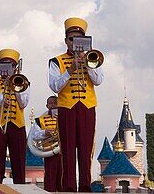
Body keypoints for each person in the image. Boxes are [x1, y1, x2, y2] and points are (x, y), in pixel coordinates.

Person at [49, 17, 104, 192]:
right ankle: (69, 187)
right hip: (66, 108)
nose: (75, 43)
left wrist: (87, 64)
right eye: (72, 39)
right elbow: (54, 85)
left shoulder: (92, 58)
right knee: (67, 149)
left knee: (86, 149)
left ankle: (86, 186)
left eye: (79, 39)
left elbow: (98, 80)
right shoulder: (56, 61)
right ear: (66, 41)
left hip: (87, 108)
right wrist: (71, 70)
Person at [0, 48, 30, 184]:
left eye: (10, 65)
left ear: (15, 67)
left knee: (19, 162)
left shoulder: (23, 83)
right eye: (3, 64)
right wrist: (4, 96)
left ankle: (20, 188)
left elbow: (23, 103)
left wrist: (16, 86)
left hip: (17, 125)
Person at [30, 95, 62, 192]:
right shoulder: (39, 120)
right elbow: (34, 135)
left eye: (55, 103)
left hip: (63, 153)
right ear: (47, 105)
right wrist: (44, 132)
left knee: (63, 178)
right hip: (49, 152)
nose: (53, 105)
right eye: (50, 103)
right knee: (50, 179)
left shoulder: (64, 118)